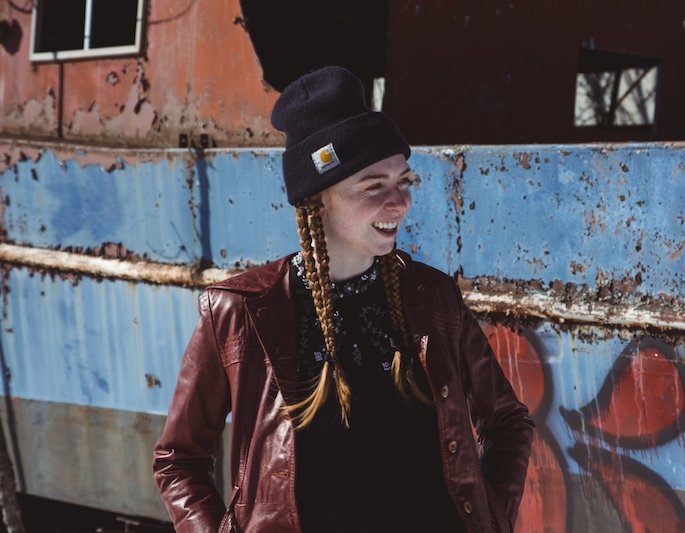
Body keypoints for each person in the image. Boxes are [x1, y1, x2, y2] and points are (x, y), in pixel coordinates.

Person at [153, 66, 534, 533]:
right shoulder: (241, 312)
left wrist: (492, 521)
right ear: (318, 202)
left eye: (404, 181)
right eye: (374, 186)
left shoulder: (433, 299)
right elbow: (178, 460)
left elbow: (508, 423)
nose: (399, 201)